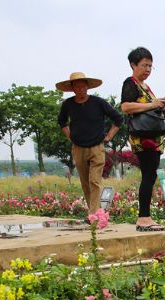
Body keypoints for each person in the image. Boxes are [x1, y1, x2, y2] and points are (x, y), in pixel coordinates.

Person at [56, 72, 123, 214]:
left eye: (83, 86)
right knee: (85, 183)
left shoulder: (98, 102)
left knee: (94, 181)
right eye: (77, 87)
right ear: (72, 88)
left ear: (87, 86)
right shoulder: (68, 104)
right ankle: (94, 212)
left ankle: (93, 215)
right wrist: (70, 136)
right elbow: (62, 122)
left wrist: (109, 137)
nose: (80, 89)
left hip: (97, 147)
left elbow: (118, 119)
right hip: (78, 148)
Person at [120, 47, 165, 231]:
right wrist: (153, 103)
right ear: (133, 65)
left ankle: (145, 216)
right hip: (143, 138)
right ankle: (143, 218)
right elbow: (125, 107)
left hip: (152, 136)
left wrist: (163, 107)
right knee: (148, 175)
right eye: (144, 65)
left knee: (151, 174)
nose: (147, 69)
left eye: (150, 66)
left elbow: (151, 110)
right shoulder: (130, 83)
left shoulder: (146, 87)